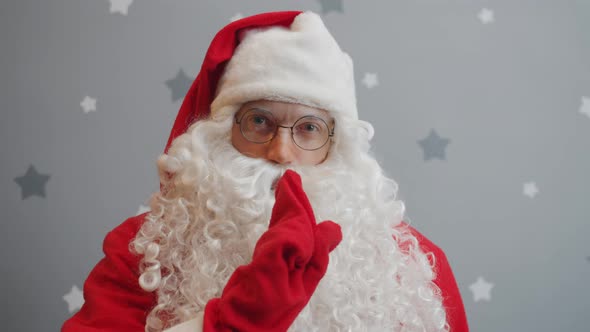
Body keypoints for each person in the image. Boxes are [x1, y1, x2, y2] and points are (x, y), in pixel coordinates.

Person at [61, 10, 469, 332]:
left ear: (336, 144)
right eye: (259, 122)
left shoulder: (414, 266)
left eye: (309, 128)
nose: (281, 152)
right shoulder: (143, 250)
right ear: (220, 133)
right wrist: (230, 322)